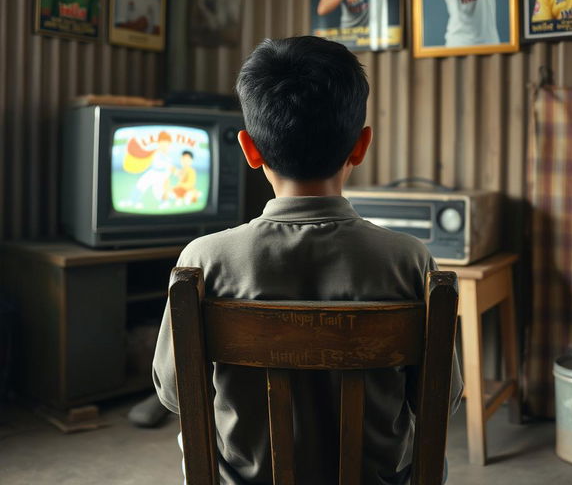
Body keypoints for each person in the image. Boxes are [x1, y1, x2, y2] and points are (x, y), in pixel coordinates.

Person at [152, 35, 463, 484]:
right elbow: (442, 398)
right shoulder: (410, 261)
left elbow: (177, 394)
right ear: (361, 145)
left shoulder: (203, 260)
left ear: (250, 149)